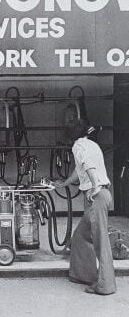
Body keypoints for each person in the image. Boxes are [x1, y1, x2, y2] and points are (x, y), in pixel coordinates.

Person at [54, 118, 116, 295]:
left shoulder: (78, 146)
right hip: (100, 195)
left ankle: (105, 286)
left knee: (100, 242)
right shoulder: (91, 145)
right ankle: (83, 276)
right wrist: (64, 183)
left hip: (97, 195)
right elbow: (79, 169)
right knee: (80, 236)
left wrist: (95, 186)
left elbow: (88, 165)